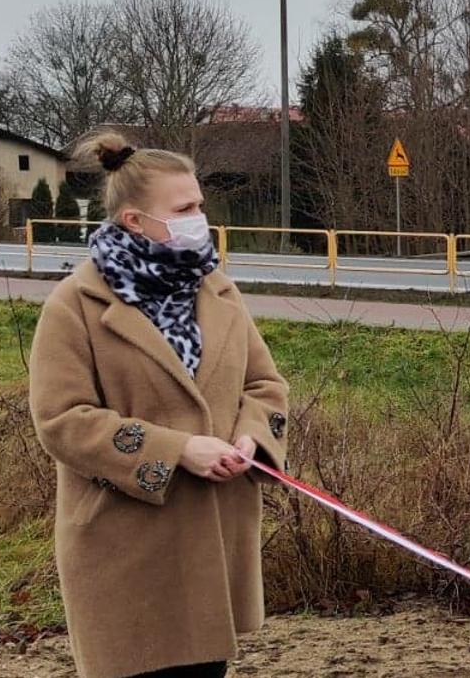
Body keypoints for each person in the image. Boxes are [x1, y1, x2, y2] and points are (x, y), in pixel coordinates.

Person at [28, 133, 290, 678]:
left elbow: (264, 384)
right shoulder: (74, 306)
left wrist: (252, 438)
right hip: (127, 549)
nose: (201, 219)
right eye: (185, 209)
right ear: (135, 220)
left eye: (200, 204)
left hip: (213, 545)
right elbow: (61, 420)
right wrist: (176, 450)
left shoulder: (217, 290)